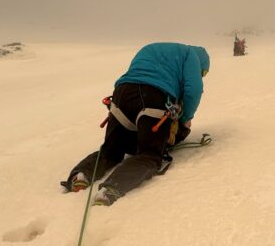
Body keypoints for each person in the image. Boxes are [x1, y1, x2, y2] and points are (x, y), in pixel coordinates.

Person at [64, 41, 210, 205]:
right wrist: (185, 120)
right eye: (203, 72)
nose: (201, 75)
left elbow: (137, 78)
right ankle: (111, 189)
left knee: (112, 150)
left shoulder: (151, 48)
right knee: (149, 155)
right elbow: (193, 89)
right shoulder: (191, 55)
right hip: (155, 98)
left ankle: (81, 175)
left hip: (122, 95)